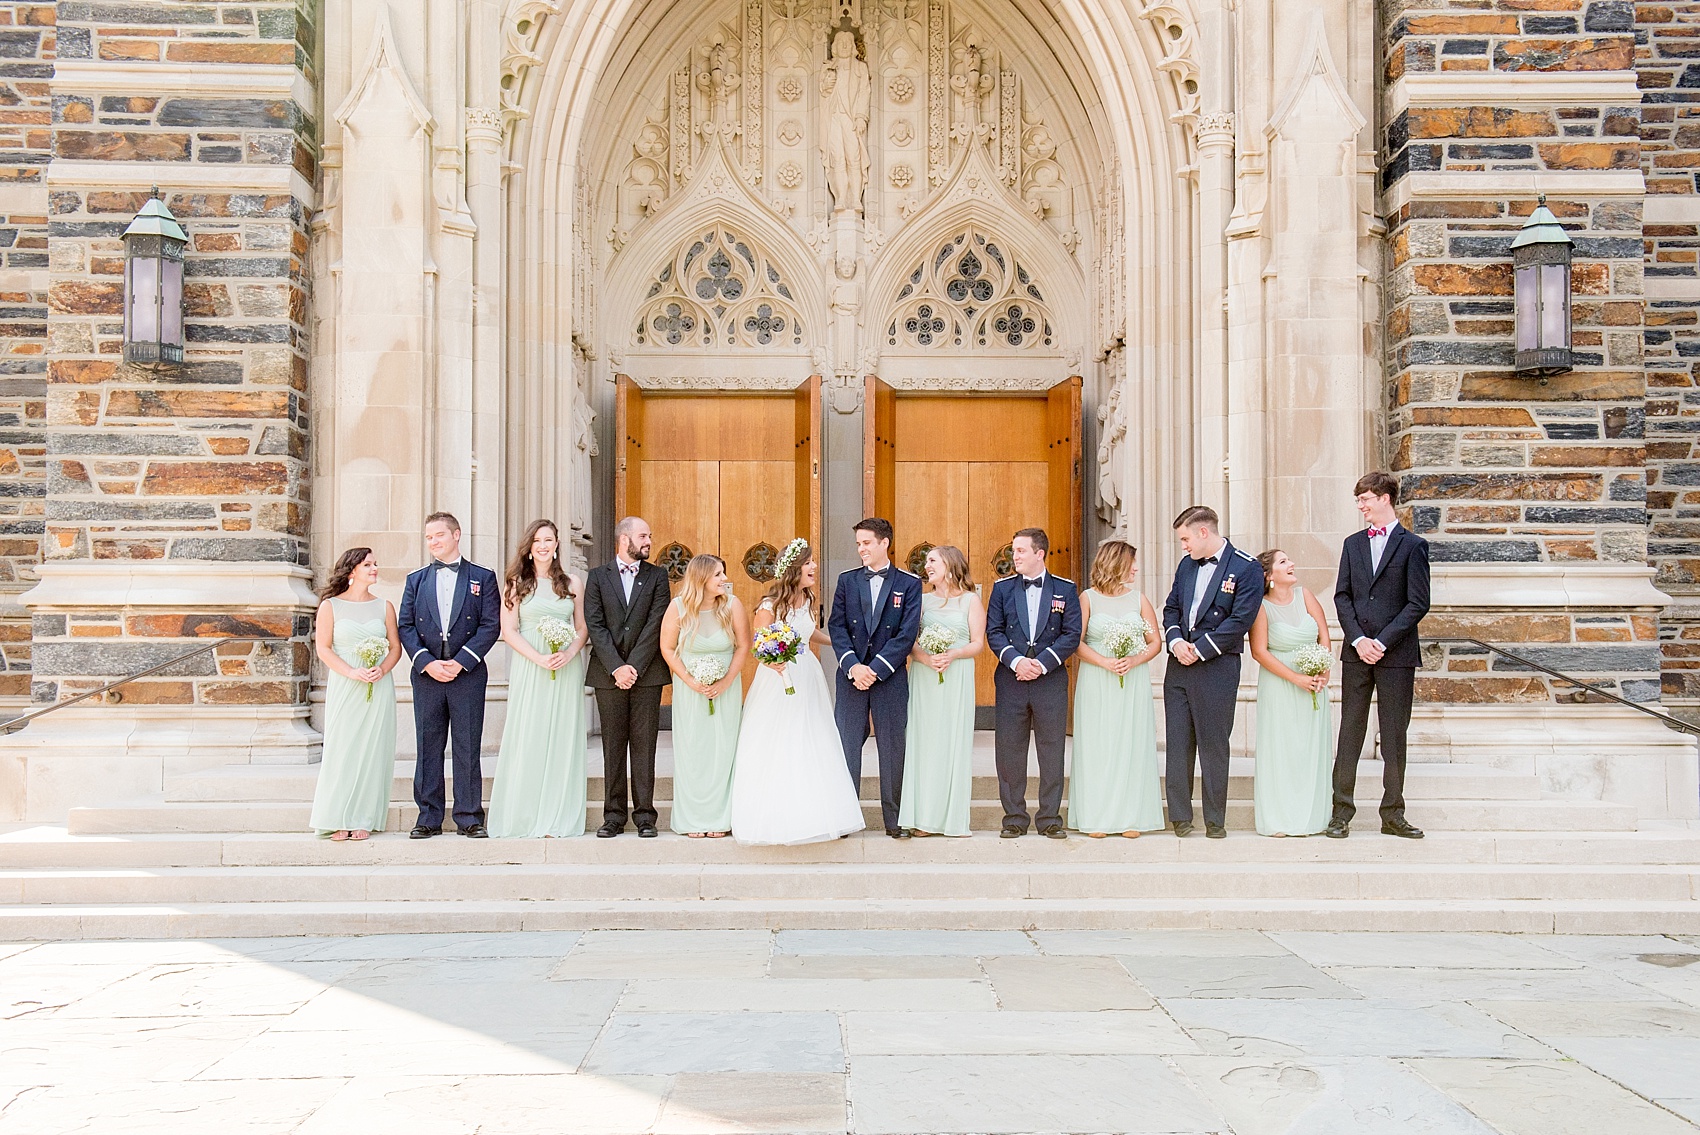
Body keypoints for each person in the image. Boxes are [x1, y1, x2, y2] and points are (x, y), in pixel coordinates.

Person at [732, 539, 866, 844]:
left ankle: (818, 811)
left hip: (808, 676)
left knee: (813, 737)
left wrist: (842, 643)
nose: (814, 568)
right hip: (778, 678)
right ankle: (778, 813)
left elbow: (809, 634)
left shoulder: (807, 600)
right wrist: (774, 662)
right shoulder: (769, 606)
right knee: (781, 739)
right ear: (794, 569)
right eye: (808, 563)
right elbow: (758, 645)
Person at [1328, 471, 1432, 840]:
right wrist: (1358, 639)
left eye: (1365, 499)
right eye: (1358, 500)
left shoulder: (1413, 545)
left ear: (1385, 498)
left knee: (1393, 736)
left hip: (1396, 655)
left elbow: (1418, 603)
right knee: (1349, 732)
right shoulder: (1352, 544)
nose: (1361, 506)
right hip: (1356, 654)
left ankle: (1393, 813)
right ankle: (1341, 812)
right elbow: (1342, 597)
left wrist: (1382, 642)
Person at [1161, 505, 1264, 839]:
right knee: (1177, 743)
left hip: (1216, 666)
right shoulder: (1186, 565)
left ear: (1204, 532)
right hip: (1178, 665)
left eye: (1186, 538)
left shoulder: (1246, 568)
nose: (1184, 546)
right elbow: (1172, 607)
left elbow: (1240, 619)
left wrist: (1201, 650)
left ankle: (1215, 820)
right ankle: (1180, 816)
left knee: (1213, 744)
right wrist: (1176, 642)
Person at [398, 512, 502, 839]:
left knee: (467, 744)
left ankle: (469, 816)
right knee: (428, 745)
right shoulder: (416, 579)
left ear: (456, 535)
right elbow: (406, 626)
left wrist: (461, 662)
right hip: (427, 674)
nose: (433, 542)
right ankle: (428, 817)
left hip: (467, 673)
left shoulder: (482, 577)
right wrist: (426, 662)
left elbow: (490, 625)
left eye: (439, 535)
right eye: (429, 537)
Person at [488, 519, 589, 839]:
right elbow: (509, 631)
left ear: (558, 544)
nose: (543, 546)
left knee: (561, 736)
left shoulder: (572, 582)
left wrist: (570, 652)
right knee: (530, 734)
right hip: (532, 667)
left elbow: (582, 627)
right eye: (537, 541)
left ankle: (557, 814)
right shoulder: (516, 583)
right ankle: (527, 813)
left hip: (566, 668)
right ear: (529, 548)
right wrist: (539, 658)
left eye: (549, 540)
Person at [828, 518, 924, 838]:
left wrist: (877, 668)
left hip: (890, 678)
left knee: (893, 748)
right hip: (851, 677)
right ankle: (845, 817)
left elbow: (906, 634)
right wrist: (853, 666)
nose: (861, 549)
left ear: (885, 543)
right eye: (858, 544)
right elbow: (837, 627)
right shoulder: (847, 580)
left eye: (867, 543)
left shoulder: (909, 583)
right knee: (847, 747)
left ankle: (894, 820)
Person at [985, 527, 1082, 839]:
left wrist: (1041, 664)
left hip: (1050, 680)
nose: (1015, 557)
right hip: (1011, 679)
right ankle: (1014, 817)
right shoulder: (1001, 589)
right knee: (1009, 750)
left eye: (1021, 551)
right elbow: (994, 631)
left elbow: (1071, 633)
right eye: (1014, 551)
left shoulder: (1065, 590)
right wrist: (1017, 661)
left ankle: (1050, 817)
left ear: (1040, 553)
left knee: (1051, 749)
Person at [1068, 539, 1164, 838]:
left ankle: (1130, 817)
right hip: (1097, 680)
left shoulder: (1139, 600)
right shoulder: (1088, 599)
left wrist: (1134, 660)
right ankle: (1097, 816)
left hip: (1132, 681)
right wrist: (1104, 662)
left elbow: (1155, 642)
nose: (1136, 568)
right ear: (1115, 563)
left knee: (1131, 743)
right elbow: (1076, 642)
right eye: (1131, 562)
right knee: (1098, 746)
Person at [583, 516, 671, 838]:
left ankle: (646, 817)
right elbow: (596, 624)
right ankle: (614, 816)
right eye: (643, 535)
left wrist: (633, 666)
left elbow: (655, 622)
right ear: (624, 539)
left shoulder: (658, 577)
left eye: (649, 535)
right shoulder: (596, 577)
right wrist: (617, 667)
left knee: (645, 746)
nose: (649, 541)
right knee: (613, 746)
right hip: (608, 675)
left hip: (647, 674)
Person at [309, 547, 402, 840]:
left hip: (378, 686)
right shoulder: (330, 606)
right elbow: (323, 648)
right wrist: (351, 672)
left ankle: (364, 817)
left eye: (375, 564)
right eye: (367, 565)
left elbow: (395, 647)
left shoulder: (384, 606)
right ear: (351, 571)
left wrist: (382, 670)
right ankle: (338, 817)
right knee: (343, 750)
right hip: (347, 685)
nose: (374, 568)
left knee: (372, 750)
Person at [660, 554, 750, 837]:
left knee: (724, 751)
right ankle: (693, 818)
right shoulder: (677, 608)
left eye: (723, 573)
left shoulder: (732, 605)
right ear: (701, 579)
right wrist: (688, 681)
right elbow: (667, 648)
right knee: (694, 751)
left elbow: (743, 646)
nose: (724, 579)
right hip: (691, 692)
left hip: (726, 690)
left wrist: (726, 681)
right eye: (718, 575)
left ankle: (720, 818)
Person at [899, 545, 984, 837]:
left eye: (933, 560)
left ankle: (949, 818)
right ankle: (922, 817)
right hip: (925, 677)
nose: (927, 566)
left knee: (951, 744)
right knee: (924, 744)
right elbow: (908, 641)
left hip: (956, 676)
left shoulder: (971, 601)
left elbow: (977, 643)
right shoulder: (921, 601)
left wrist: (953, 654)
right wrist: (924, 657)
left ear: (950, 564)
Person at [1249, 549, 1334, 838]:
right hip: (1280, 685)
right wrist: (1296, 678)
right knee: (1281, 750)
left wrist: (1323, 671)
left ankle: (1312, 817)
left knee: (1310, 749)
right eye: (1283, 562)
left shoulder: (1306, 596)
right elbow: (1259, 651)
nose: (1292, 564)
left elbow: (1324, 635)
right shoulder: (1260, 606)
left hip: (1314, 684)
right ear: (1269, 576)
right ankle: (1279, 819)